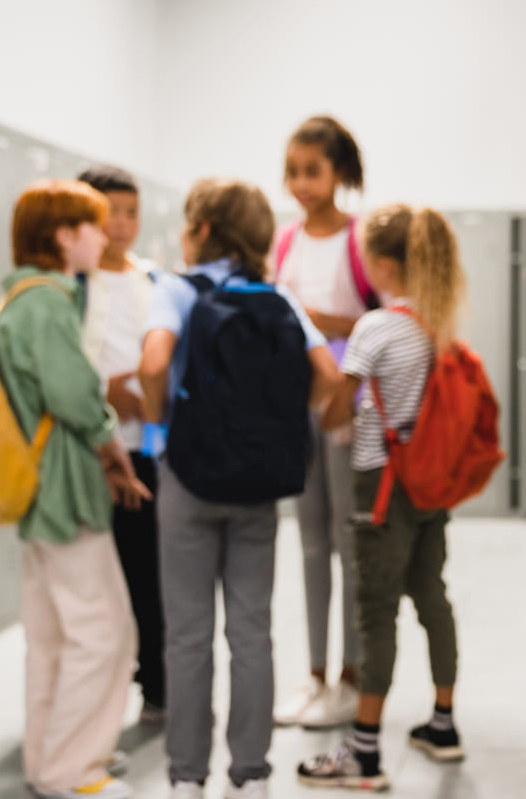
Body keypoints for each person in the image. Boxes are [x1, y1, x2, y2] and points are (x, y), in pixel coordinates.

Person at [139, 177, 340, 799]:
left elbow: (151, 366)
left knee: (188, 632)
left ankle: (187, 776)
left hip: (189, 480)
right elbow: (328, 375)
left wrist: (160, 430)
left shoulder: (175, 289)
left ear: (200, 231)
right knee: (252, 631)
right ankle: (250, 774)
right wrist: (280, 427)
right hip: (258, 485)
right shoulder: (278, 297)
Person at [296, 205, 467, 792]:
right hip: (429, 487)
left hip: (382, 488)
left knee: (374, 613)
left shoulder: (375, 327)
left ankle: (364, 754)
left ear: (382, 263)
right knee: (432, 599)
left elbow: (336, 411)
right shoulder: (438, 323)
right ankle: (443, 725)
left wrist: (327, 392)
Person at [0, 179, 151, 799]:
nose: (105, 235)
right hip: (66, 493)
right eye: (93, 224)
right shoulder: (50, 303)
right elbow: (75, 396)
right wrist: (113, 446)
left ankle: (48, 763)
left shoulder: (19, 299)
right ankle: (75, 770)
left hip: (38, 495)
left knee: (53, 637)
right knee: (104, 630)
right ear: (65, 236)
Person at [272, 115, 376, 730]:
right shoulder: (284, 241)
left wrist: (321, 319)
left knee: (347, 545)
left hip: (348, 408)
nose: (301, 183)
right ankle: (313, 676)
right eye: (292, 171)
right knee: (309, 543)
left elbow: (383, 325)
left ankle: (351, 676)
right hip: (296, 406)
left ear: (339, 172)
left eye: (312, 170)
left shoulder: (361, 241)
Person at [77, 164, 167, 725]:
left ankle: (156, 685)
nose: (122, 224)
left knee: (149, 577)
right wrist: (105, 392)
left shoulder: (153, 280)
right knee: (94, 583)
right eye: (110, 212)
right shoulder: (73, 284)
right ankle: (94, 702)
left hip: (146, 450)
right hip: (88, 452)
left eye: (131, 212)